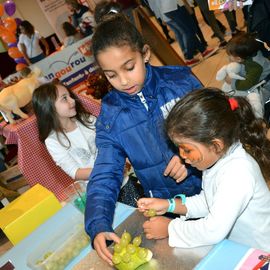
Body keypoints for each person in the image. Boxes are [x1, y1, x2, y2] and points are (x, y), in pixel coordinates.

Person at [84, 13, 202, 266]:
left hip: (213, 193)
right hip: (166, 211)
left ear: (145, 54)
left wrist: (190, 154)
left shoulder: (180, 81)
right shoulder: (111, 114)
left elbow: (221, 126)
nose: (124, 81)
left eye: (129, 67)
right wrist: (97, 223)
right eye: (111, 75)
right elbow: (105, 172)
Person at [138, 88, 270, 252]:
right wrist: (170, 205)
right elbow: (209, 201)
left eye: (187, 150)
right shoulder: (219, 160)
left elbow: (213, 230)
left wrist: (170, 228)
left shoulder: (237, 173)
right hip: (241, 248)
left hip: (260, 253)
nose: (182, 156)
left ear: (216, 145)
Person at [32, 81, 97, 181]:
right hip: (99, 189)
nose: (73, 101)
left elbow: (111, 141)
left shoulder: (87, 119)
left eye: (70, 96)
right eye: (64, 98)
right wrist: (107, 170)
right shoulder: (53, 141)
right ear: (49, 107)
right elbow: (75, 172)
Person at [225, 33, 270, 117]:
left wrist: (233, 82)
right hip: (257, 80)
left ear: (239, 58)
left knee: (250, 102)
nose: (229, 58)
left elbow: (247, 84)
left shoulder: (255, 67)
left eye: (230, 56)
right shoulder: (250, 55)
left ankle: (256, 116)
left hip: (265, 87)